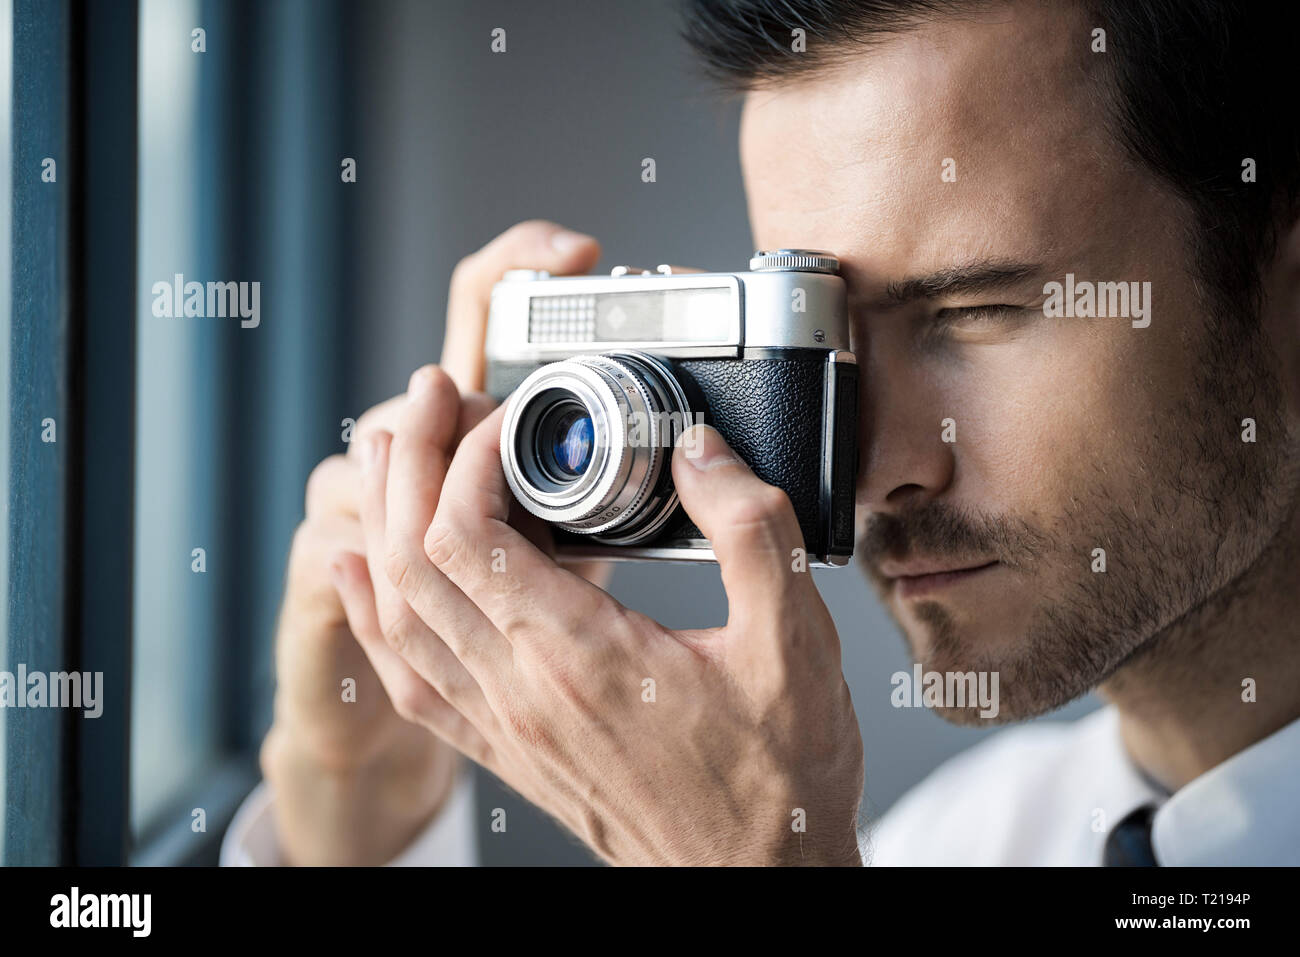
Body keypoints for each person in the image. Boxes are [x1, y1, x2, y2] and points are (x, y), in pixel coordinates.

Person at [222, 0, 1300, 866]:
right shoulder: (973, 838)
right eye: (817, 340)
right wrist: (359, 811)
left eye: (974, 316)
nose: (867, 469)